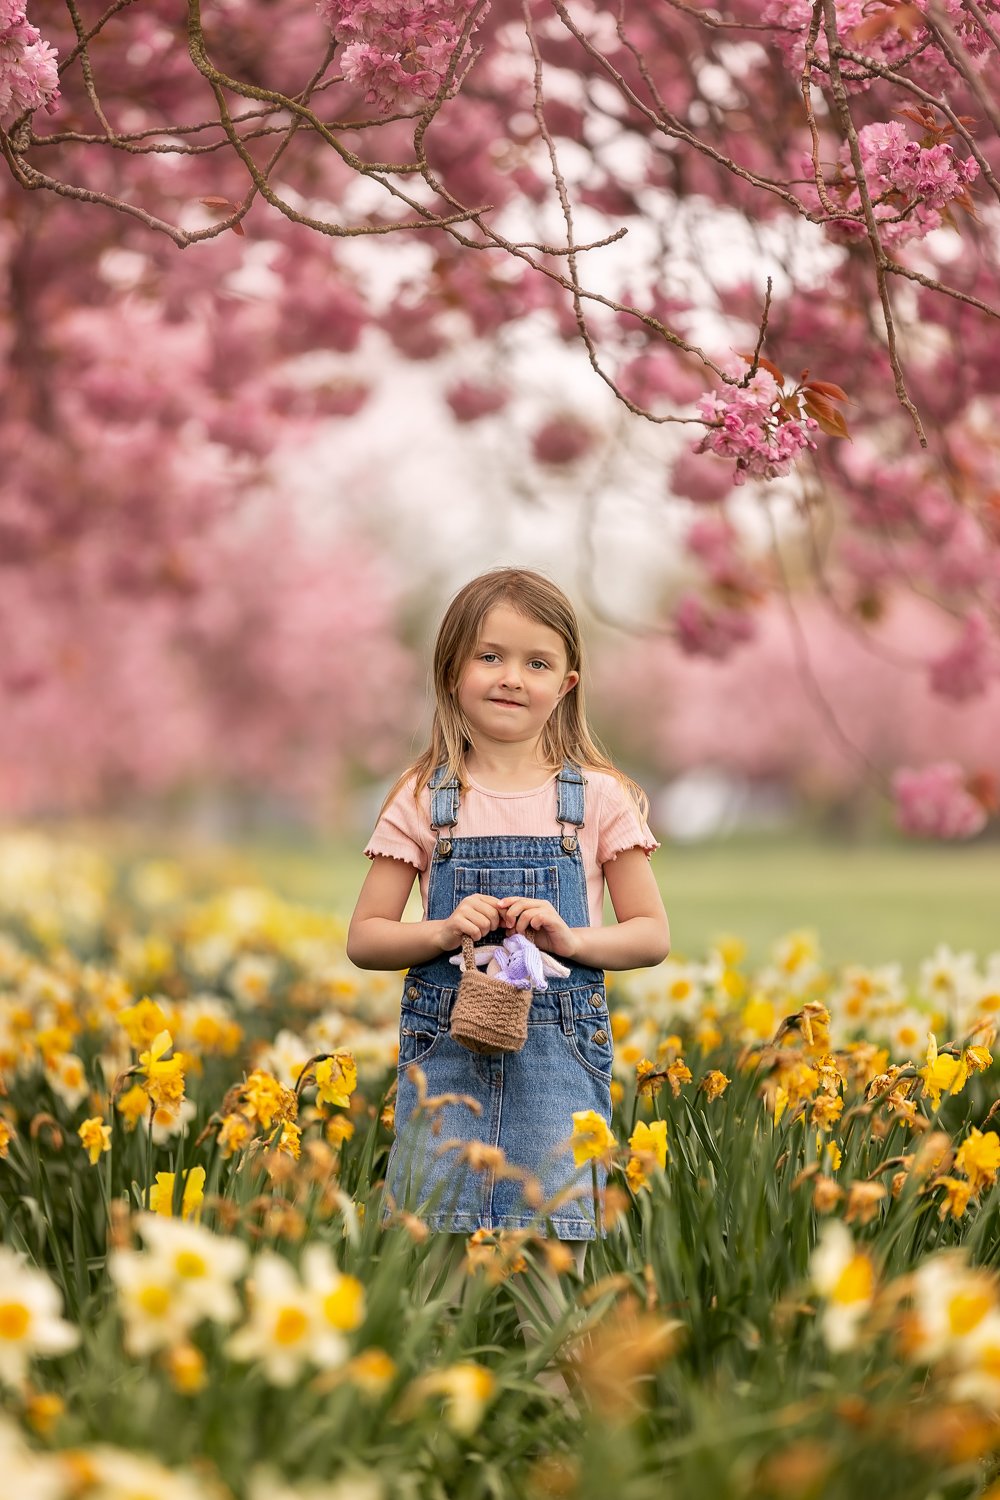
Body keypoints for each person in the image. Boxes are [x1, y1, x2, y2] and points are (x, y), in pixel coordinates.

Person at [347, 567, 670, 1271]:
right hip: (447, 1059)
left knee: (551, 1272)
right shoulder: (424, 798)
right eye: (490, 656)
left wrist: (571, 938)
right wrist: (439, 932)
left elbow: (650, 932)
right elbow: (366, 936)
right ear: (452, 670)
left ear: (567, 684)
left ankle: (553, 1386)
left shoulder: (599, 800)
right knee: (434, 1275)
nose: (511, 678)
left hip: (557, 1066)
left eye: (537, 662)